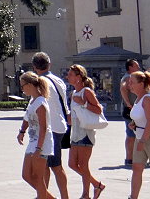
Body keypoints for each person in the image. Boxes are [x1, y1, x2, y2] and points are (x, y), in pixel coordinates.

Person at [31, 52, 70, 199]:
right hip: (60, 125)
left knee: (55, 166)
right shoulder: (58, 80)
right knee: (46, 165)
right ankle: (43, 194)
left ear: (34, 67)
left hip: (49, 128)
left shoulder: (39, 82)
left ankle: (62, 197)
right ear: (49, 64)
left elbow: (37, 105)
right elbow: (65, 104)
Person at [67, 64, 105, 199]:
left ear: (79, 77)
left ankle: (86, 194)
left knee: (83, 165)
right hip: (75, 133)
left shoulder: (86, 91)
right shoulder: (73, 93)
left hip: (86, 133)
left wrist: (83, 103)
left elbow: (99, 109)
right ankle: (97, 185)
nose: (68, 77)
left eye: (71, 74)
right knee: (72, 164)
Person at [17, 71, 56, 199]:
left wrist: (39, 148)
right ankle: (49, 197)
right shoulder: (33, 101)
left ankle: (44, 197)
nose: (22, 89)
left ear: (29, 85)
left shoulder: (41, 103)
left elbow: (44, 127)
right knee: (26, 175)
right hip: (33, 141)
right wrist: (22, 131)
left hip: (42, 143)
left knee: (38, 178)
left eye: (22, 86)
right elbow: (27, 118)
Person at [127, 71, 150, 199]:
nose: (129, 85)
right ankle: (133, 197)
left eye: (132, 82)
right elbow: (142, 118)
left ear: (141, 83)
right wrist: (133, 124)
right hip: (140, 136)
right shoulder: (138, 99)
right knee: (137, 168)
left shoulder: (148, 99)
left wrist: (143, 141)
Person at [120, 58, 140, 168]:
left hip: (132, 109)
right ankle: (129, 158)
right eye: (136, 65)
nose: (139, 67)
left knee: (132, 134)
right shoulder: (128, 78)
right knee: (131, 135)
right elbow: (123, 88)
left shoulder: (130, 77)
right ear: (130, 67)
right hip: (131, 110)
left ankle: (132, 157)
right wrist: (128, 103)